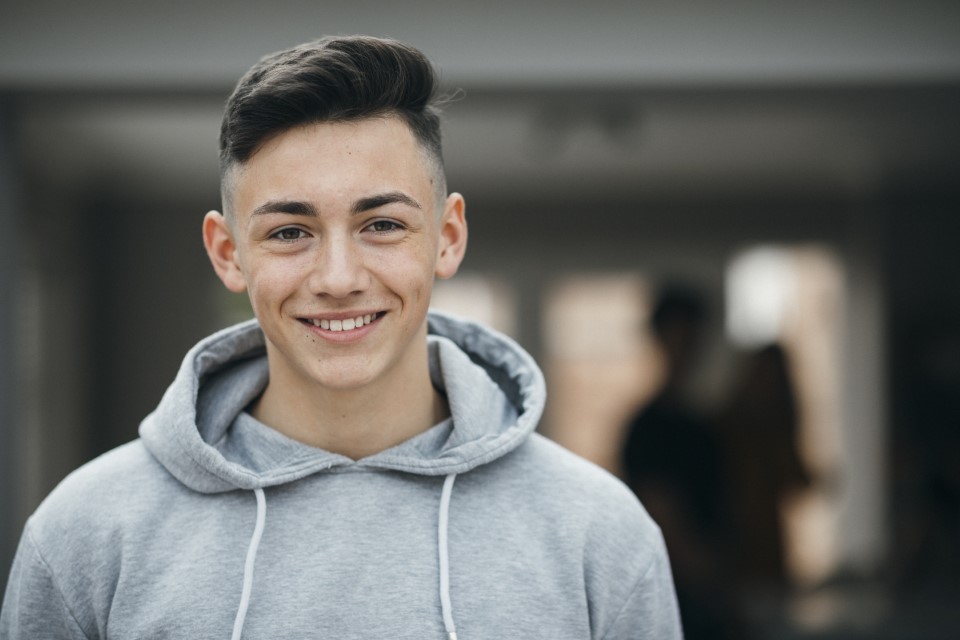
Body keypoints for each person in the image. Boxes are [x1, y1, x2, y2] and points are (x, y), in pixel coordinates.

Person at [1, 36, 681, 638]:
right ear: (228, 252)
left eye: (381, 224)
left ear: (446, 238)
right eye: (290, 232)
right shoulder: (85, 534)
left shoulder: (599, 534)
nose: (337, 277)